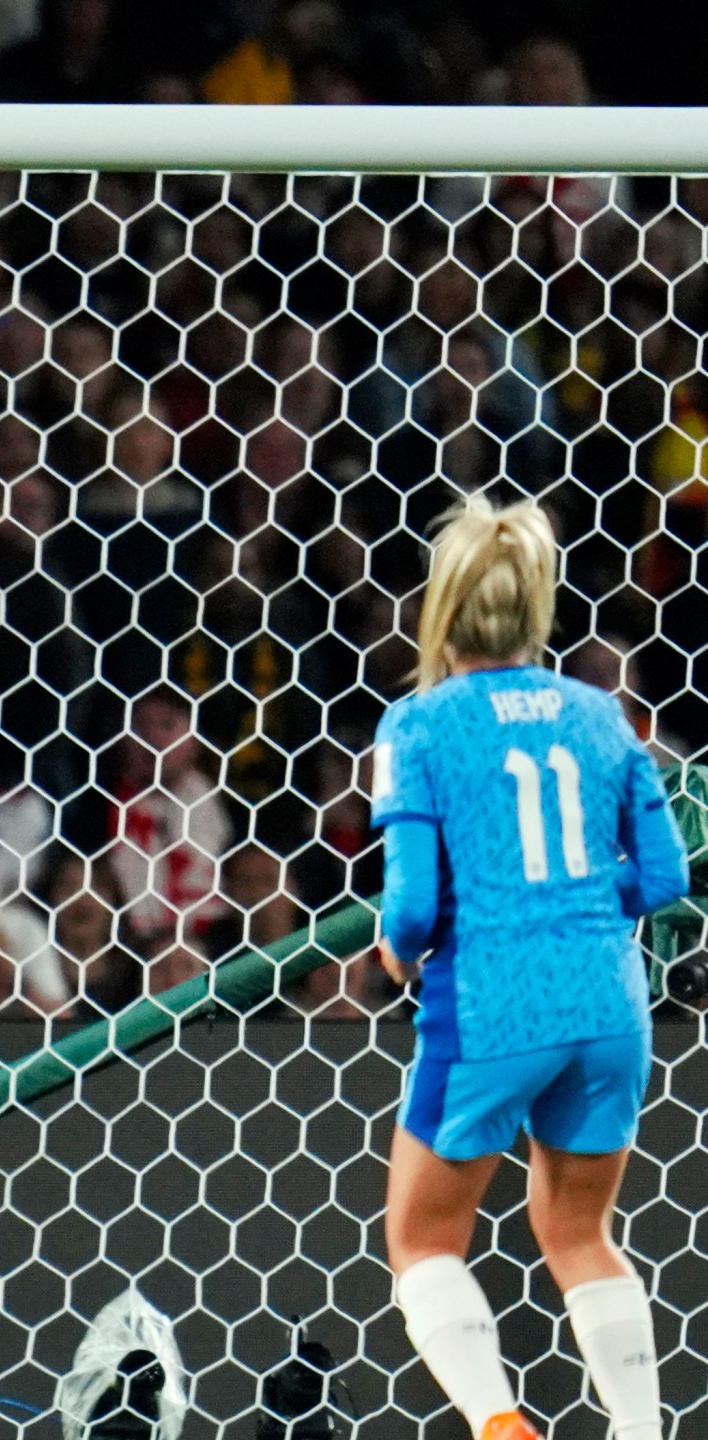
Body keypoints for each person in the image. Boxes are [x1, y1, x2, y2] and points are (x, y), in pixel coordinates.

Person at [371, 497, 684, 1440]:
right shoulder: (600, 714)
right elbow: (665, 875)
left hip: (493, 1003)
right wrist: (584, 911)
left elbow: (416, 906)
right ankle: (641, 1431)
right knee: (582, 1234)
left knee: (423, 1240)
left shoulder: (418, 725)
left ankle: (501, 1424)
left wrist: (398, 947)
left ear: (442, 609)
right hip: (606, 999)